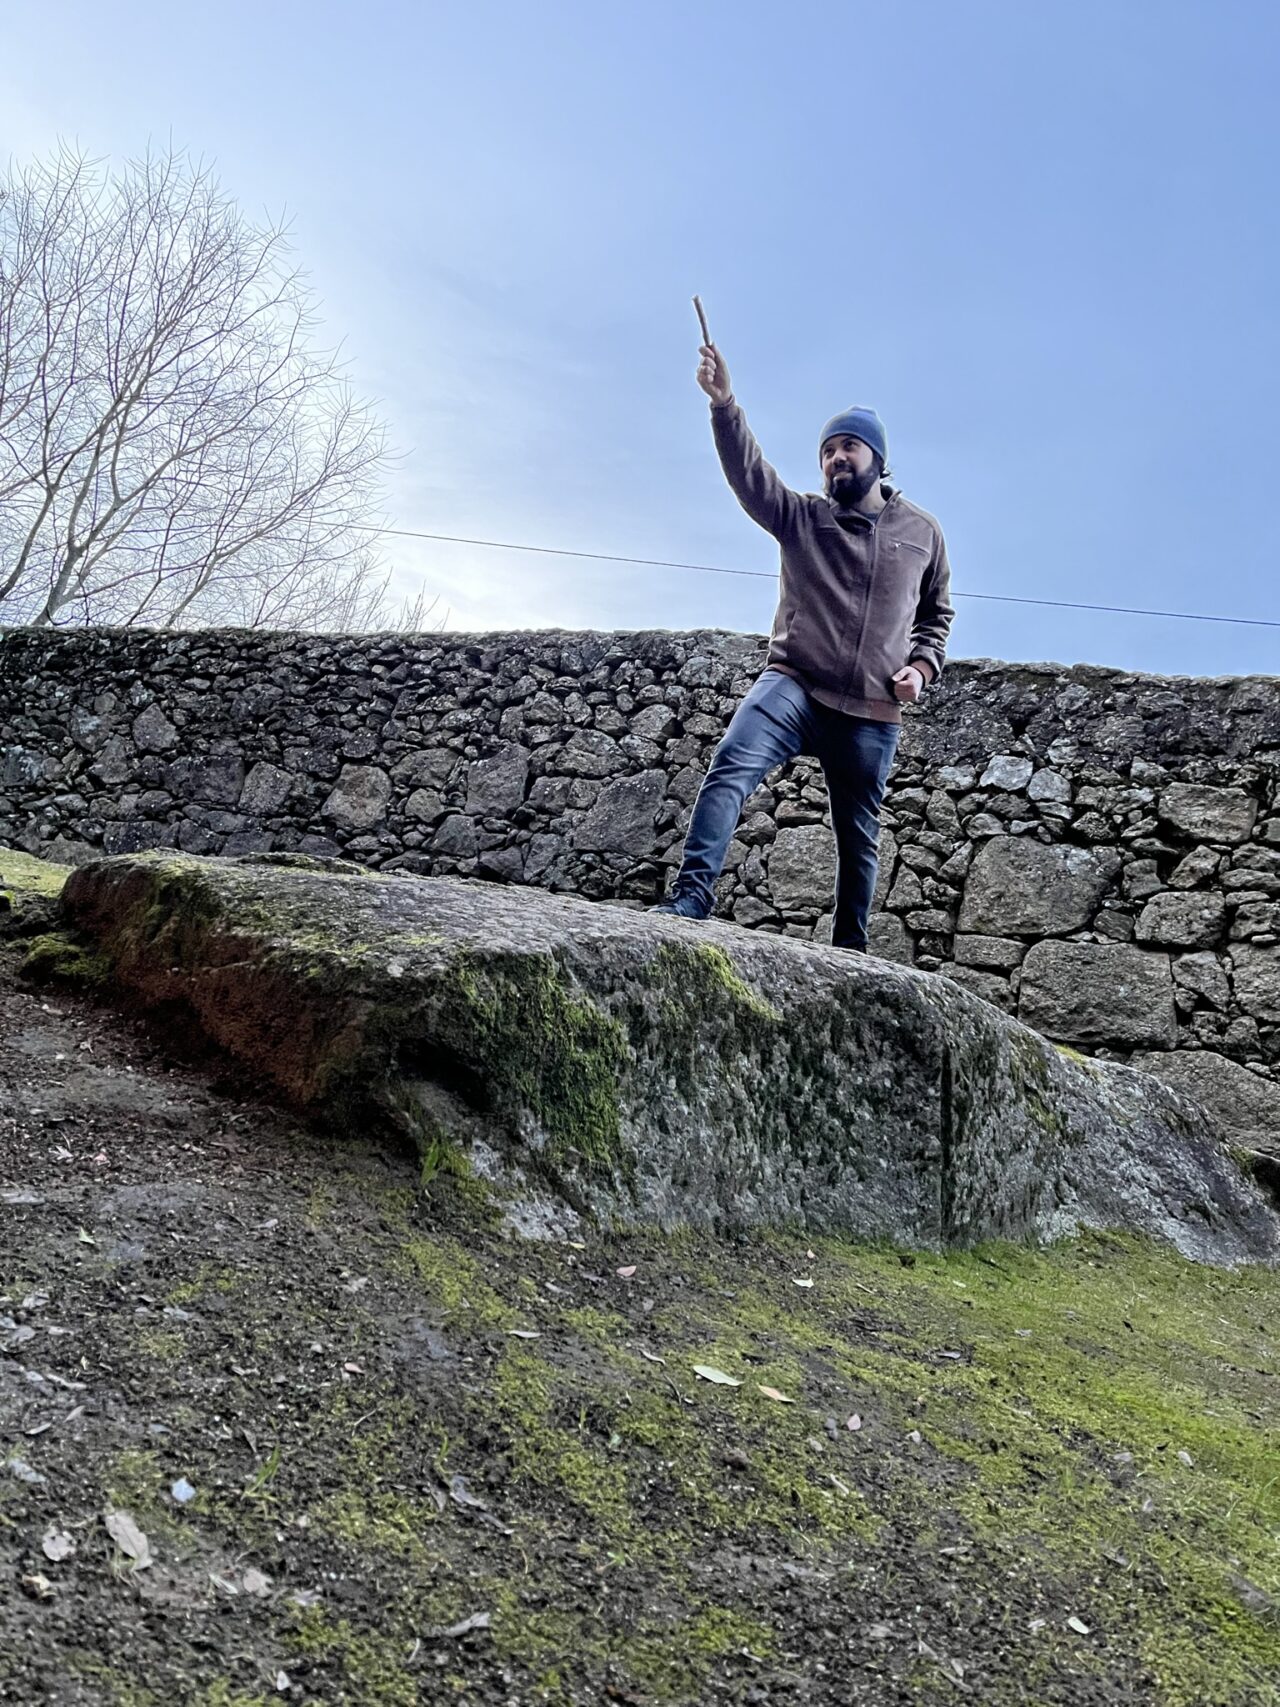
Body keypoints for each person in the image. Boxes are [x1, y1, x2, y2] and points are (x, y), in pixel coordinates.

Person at [652, 339, 955, 952]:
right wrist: (724, 405)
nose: (836, 458)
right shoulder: (802, 517)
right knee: (729, 768)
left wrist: (921, 669)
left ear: (877, 459)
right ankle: (691, 898)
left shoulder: (923, 533)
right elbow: (751, 476)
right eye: (827, 451)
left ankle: (851, 951)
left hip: (871, 709)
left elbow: (935, 617)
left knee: (858, 836)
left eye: (848, 447)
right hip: (793, 684)